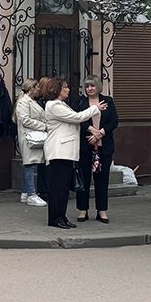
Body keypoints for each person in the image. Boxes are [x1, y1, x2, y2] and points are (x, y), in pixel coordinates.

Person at [44, 77, 103, 230]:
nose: (68, 90)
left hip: (66, 151)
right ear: (58, 89)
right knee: (58, 188)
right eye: (65, 87)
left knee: (63, 188)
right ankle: (55, 218)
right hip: (59, 151)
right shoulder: (54, 105)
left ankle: (61, 216)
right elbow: (77, 118)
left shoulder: (62, 104)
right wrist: (95, 108)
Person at [73, 75, 118, 223]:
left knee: (102, 179)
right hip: (86, 146)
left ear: (98, 86)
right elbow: (78, 119)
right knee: (84, 179)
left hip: (103, 146)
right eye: (87, 86)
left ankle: (102, 210)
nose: (89, 89)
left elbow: (114, 121)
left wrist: (101, 133)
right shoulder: (80, 102)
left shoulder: (108, 101)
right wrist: (92, 131)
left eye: (92, 86)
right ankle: (82, 210)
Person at [13, 78, 48, 208]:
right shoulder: (23, 102)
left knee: (31, 164)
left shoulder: (31, 101)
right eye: (37, 86)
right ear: (31, 88)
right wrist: (43, 126)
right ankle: (31, 194)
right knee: (30, 164)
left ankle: (26, 192)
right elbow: (25, 120)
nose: (39, 89)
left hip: (33, 136)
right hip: (28, 137)